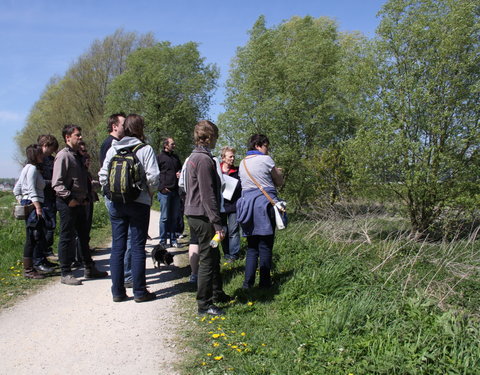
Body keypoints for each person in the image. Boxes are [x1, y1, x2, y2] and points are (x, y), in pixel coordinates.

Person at [99, 114, 160, 303]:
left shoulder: (113, 148)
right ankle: (140, 292)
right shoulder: (145, 149)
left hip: (117, 203)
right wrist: (148, 194)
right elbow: (154, 177)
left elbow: (103, 175)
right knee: (137, 246)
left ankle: (117, 292)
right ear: (141, 129)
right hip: (138, 203)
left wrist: (110, 194)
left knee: (118, 247)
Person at [184, 120, 231, 315]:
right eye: (215, 137)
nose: (216, 141)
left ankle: (217, 292)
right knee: (207, 259)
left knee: (213, 254)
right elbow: (207, 194)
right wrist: (217, 222)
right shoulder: (203, 160)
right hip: (203, 217)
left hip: (196, 214)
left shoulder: (193, 157)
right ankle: (204, 304)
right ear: (209, 137)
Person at [52, 124, 108, 286]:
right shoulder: (63, 156)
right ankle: (66, 272)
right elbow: (57, 183)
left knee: (84, 237)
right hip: (67, 203)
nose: (80, 137)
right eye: (77, 135)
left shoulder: (77, 156)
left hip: (80, 203)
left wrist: (85, 197)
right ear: (67, 137)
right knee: (67, 237)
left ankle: (89, 268)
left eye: (80, 134)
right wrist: (70, 198)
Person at [237, 134, 284, 289]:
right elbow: (279, 182)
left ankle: (247, 284)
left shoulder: (242, 162)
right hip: (264, 205)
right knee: (265, 246)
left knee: (252, 247)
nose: (267, 149)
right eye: (266, 146)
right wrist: (279, 173)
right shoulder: (266, 160)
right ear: (258, 145)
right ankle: (264, 284)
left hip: (247, 207)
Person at [100, 113, 134, 288]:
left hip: (116, 197)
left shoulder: (114, 144)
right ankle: (127, 277)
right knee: (125, 239)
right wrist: (109, 193)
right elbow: (105, 173)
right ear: (114, 126)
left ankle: (120, 282)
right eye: (123, 124)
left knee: (121, 240)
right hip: (116, 198)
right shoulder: (110, 145)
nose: (125, 127)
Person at [13, 144, 55, 278]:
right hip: (35, 203)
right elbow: (31, 189)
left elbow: (16, 189)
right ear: (35, 155)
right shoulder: (32, 169)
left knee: (35, 235)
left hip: (30, 202)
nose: (42, 156)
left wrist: (22, 200)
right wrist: (36, 206)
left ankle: (32, 267)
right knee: (33, 236)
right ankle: (29, 270)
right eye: (39, 154)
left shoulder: (26, 168)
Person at [37, 134, 59, 261]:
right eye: (51, 149)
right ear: (45, 146)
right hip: (41, 199)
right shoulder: (35, 160)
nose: (52, 152)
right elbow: (35, 181)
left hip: (51, 198)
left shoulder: (52, 160)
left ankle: (46, 251)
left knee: (51, 225)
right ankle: (42, 254)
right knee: (42, 228)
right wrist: (52, 183)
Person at [157, 137, 182, 247]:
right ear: (166, 145)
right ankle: (163, 241)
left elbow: (181, 170)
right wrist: (161, 187)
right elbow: (155, 174)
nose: (174, 145)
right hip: (164, 192)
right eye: (172, 144)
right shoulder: (159, 157)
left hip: (175, 191)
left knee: (174, 217)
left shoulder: (176, 157)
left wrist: (180, 174)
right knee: (165, 217)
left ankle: (173, 240)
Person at [220, 146, 242, 262]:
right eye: (230, 156)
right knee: (223, 230)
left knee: (233, 230)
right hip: (221, 205)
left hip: (234, 205)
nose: (233, 159)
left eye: (233, 156)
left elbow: (241, 187)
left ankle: (234, 254)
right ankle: (226, 253)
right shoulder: (216, 170)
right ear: (223, 158)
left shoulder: (238, 171)